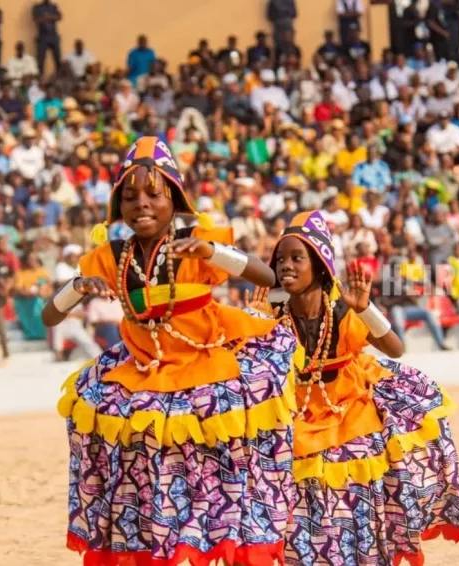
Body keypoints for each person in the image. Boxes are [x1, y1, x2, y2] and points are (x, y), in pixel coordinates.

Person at [45, 138, 296, 565]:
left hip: (208, 366)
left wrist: (213, 251)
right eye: (129, 196)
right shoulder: (110, 257)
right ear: (117, 206)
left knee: (223, 474)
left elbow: (267, 275)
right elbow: (51, 316)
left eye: (152, 194)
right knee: (139, 468)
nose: (141, 204)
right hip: (144, 372)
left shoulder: (196, 243)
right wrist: (77, 289)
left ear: (174, 200)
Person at [250, 210, 459, 565]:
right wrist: (254, 321)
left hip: (349, 408)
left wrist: (365, 308)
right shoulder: (273, 310)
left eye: (296, 258)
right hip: (298, 414)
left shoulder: (341, 307)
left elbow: (395, 348)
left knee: (356, 502)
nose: (285, 266)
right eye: (280, 259)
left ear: (319, 264)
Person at [32, 0, 63, 76]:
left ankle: (59, 79)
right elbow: (36, 20)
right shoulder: (37, 7)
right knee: (40, 61)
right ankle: (40, 80)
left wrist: (46, 16)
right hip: (43, 36)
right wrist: (51, 17)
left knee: (58, 59)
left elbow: (59, 17)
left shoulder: (54, 6)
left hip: (54, 36)